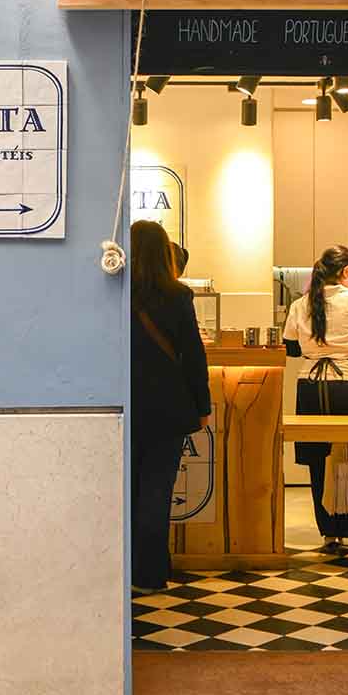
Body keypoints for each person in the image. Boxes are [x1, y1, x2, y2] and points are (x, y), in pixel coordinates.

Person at [131, 220, 211, 593]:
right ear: (165, 252)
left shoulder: (117, 292)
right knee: (156, 492)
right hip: (167, 408)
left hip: (125, 404)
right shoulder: (178, 295)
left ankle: (126, 571)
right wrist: (202, 404)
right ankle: (150, 574)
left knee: (127, 492)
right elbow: (193, 355)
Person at [283, 245, 348, 551]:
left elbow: (292, 348)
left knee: (317, 460)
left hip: (310, 385)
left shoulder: (301, 303)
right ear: (346, 272)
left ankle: (329, 532)